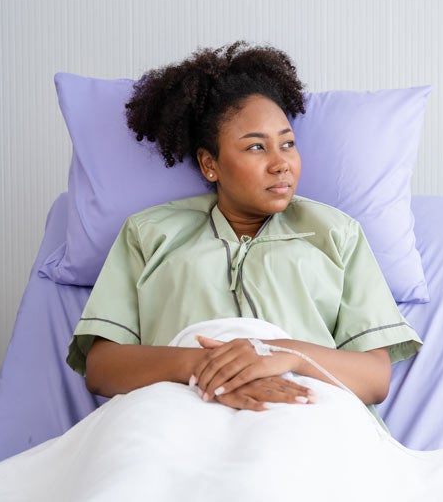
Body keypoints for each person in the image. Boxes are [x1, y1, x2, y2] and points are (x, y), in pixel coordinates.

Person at [65, 41, 422, 413]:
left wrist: (283, 355)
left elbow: (375, 378)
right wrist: (207, 370)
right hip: (176, 408)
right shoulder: (149, 234)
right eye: (256, 147)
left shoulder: (337, 234)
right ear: (209, 164)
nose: (281, 163)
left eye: (287, 144)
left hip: (306, 409)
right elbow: (102, 368)